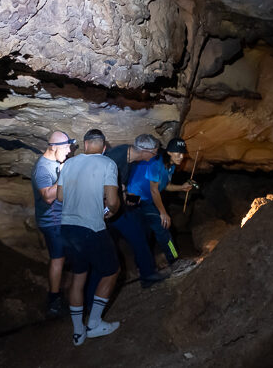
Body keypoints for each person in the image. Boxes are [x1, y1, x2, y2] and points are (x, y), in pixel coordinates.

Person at [57, 129, 121, 346]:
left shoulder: (69, 164)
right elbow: (112, 201)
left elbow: (60, 196)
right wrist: (112, 209)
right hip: (91, 228)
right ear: (103, 148)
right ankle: (94, 324)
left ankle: (78, 332)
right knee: (112, 271)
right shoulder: (107, 164)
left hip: (67, 228)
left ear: (85, 145)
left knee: (78, 277)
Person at [102, 134, 169, 288]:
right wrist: (105, 206)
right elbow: (98, 182)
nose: (154, 157)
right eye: (154, 153)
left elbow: (121, 184)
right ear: (145, 151)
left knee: (139, 233)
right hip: (104, 208)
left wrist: (126, 196)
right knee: (105, 255)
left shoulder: (131, 159)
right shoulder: (115, 157)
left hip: (117, 206)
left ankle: (147, 274)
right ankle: (90, 301)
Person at [126, 137, 193, 272]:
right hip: (136, 199)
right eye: (178, 153)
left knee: (147, 233)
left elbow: (165, 185)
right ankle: (173, 261)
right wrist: (163, 213)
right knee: (161, 227)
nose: (181, 157)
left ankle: (144, 266)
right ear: (169, 152)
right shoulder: (155, 162)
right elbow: (154, 189)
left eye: (183, 153)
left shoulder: (171, 166)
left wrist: (181, 187)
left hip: (147, 200)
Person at [31, 130, 74, 318]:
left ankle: (71, 292)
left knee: (67, 256)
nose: (69, 151)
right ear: (53, 147)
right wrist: (64, 174)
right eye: (66, 148)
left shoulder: (55, 161)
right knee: (58, 258)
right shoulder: (42, 168)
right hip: (52, 221)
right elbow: (48, 197)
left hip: (61, 218)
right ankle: (54, 299)